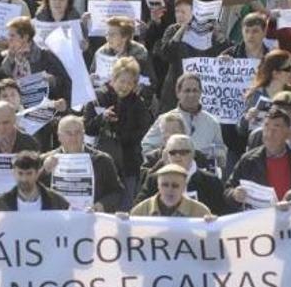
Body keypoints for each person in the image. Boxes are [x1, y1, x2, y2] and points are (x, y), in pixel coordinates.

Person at [83, 57, 152, 205]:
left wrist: (121, 134)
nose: (125, 86)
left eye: (129, 83)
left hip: (128, 164)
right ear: (113, 79)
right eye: (122, 81)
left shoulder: (138, 103)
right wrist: (102, 118)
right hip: (100, 161)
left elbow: (143, 130)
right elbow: (87, 127)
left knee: (125, 206)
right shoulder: (98, 97)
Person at [225, 109, 291, 210]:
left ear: (288, 131)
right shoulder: (248, 160)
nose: (270, 133)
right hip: (258, 220)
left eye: (276, 127)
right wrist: (234, 194)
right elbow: (228, 190)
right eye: (266, 126)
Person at [157, 0, 227, 111]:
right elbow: (165, 54)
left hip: (203, 91)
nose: (179, 15)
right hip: (175, 88)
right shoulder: (173, 30)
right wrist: (182, 30)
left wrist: (220, 37)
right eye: (177, 11)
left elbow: (223, 54)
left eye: (183, 12)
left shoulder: (210, 31)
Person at [140, 72, 227, 167]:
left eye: (195, 90)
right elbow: (146, 146)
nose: (191, 94)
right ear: (178, 93)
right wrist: (165, 159)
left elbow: (221, 150)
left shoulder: (212, 122)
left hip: (201, 176)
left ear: (201, 93)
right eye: (187, 91)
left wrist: (214, 155)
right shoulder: (165, 120)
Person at [39, 115, 124, 212]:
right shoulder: (45, 160)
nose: (74, 137)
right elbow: (29, 190)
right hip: (57, 221)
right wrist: (44, 171)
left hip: (91, 219)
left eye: (78, 132)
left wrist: (102, 205)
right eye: (68, 133)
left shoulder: (102, 160)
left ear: (84, 134)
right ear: (59, 136)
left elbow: (117, 192)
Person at [135, 134, 225, 214]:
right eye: (173, 152)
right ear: (166, 155)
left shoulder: (211, 182)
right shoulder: (154, 180)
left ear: (193, 154)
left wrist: (211, 218)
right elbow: (137, 210)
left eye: (183, 152)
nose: (178, 156)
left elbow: (223, 213)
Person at [0, 17, 72, 105]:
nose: (9, 39)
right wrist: (9, 59)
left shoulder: (46, 56)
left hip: (41, 109)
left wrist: (50, 80)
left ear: (25, 37)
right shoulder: (7, 57)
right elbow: (1, 82)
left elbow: (63, 82)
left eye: (12, 35)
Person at [90, 16, 158, 95]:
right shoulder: (101, 53)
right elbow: (92, 80)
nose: (108, 38)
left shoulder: (140, 53)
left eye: (112, 35)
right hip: (107, 100)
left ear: (124, 37)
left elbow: (152, 83)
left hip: (133, 101)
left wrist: (141, 88)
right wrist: (91, 81)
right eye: (107, 34)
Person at [245, 90, 291, 158]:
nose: (286, 113)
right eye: (280, 109)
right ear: (272, 110)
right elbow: (248, 162)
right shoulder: (258, 134)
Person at [0, 151, 69, 211]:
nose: (24, 179)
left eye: (29, 174)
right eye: (20, 173)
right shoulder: (1, 203)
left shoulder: (57, 201)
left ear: (37, 173)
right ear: (13, 173)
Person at [131, 163, 213, 217]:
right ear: (158, 186)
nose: (169, 190)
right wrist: (121, 223)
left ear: (184, 187)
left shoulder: (200, 212)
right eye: (165, 185)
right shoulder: (142, 210)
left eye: (175, 186)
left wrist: (211, 225)